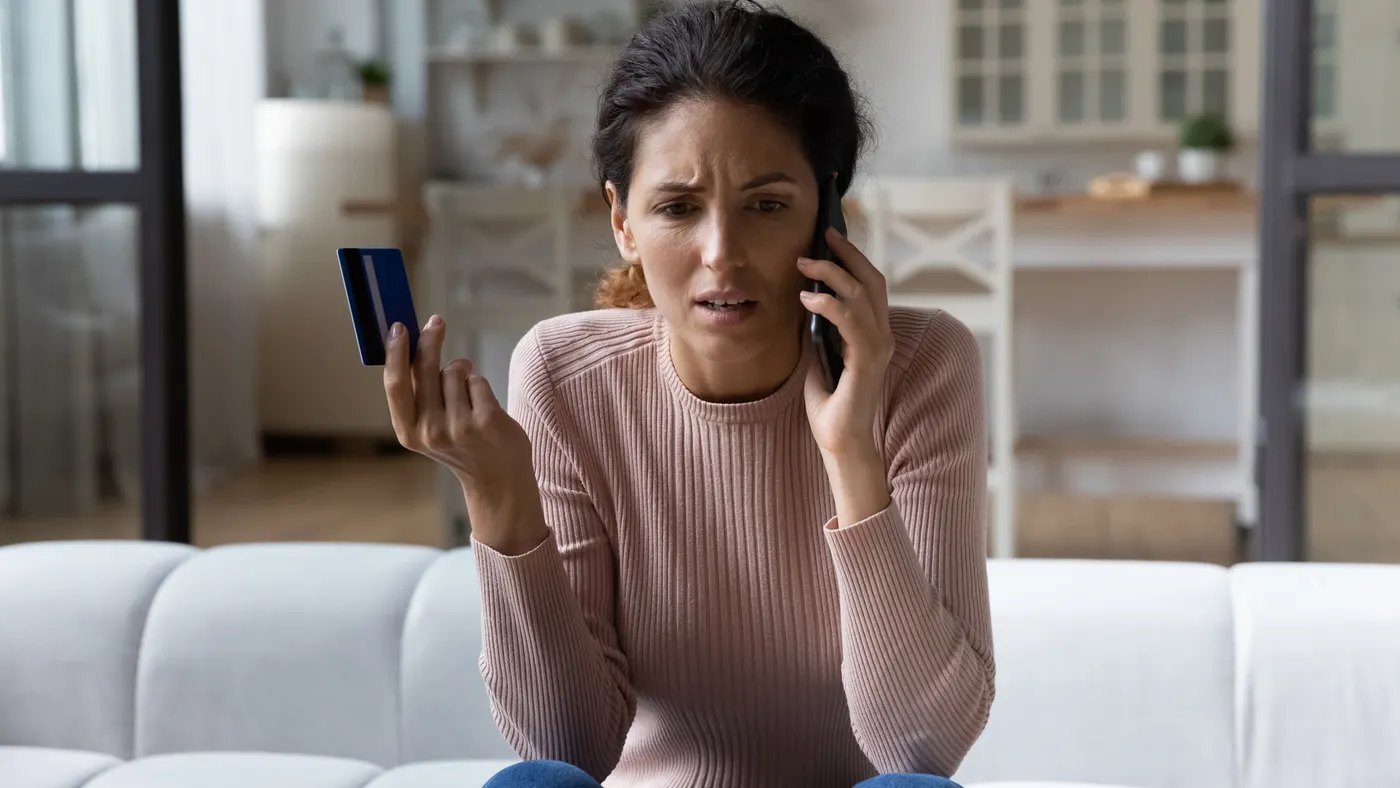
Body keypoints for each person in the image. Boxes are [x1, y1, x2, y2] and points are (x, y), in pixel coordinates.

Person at [382, 2, 995, 786]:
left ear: (827, 213)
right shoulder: (565, 375)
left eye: (767, 205)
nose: (721, 253)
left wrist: (851, 454)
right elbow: (567, 745)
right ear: (622, 221)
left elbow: (923, 750)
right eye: (677, 208)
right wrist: (501, 500)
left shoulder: (922, 364)